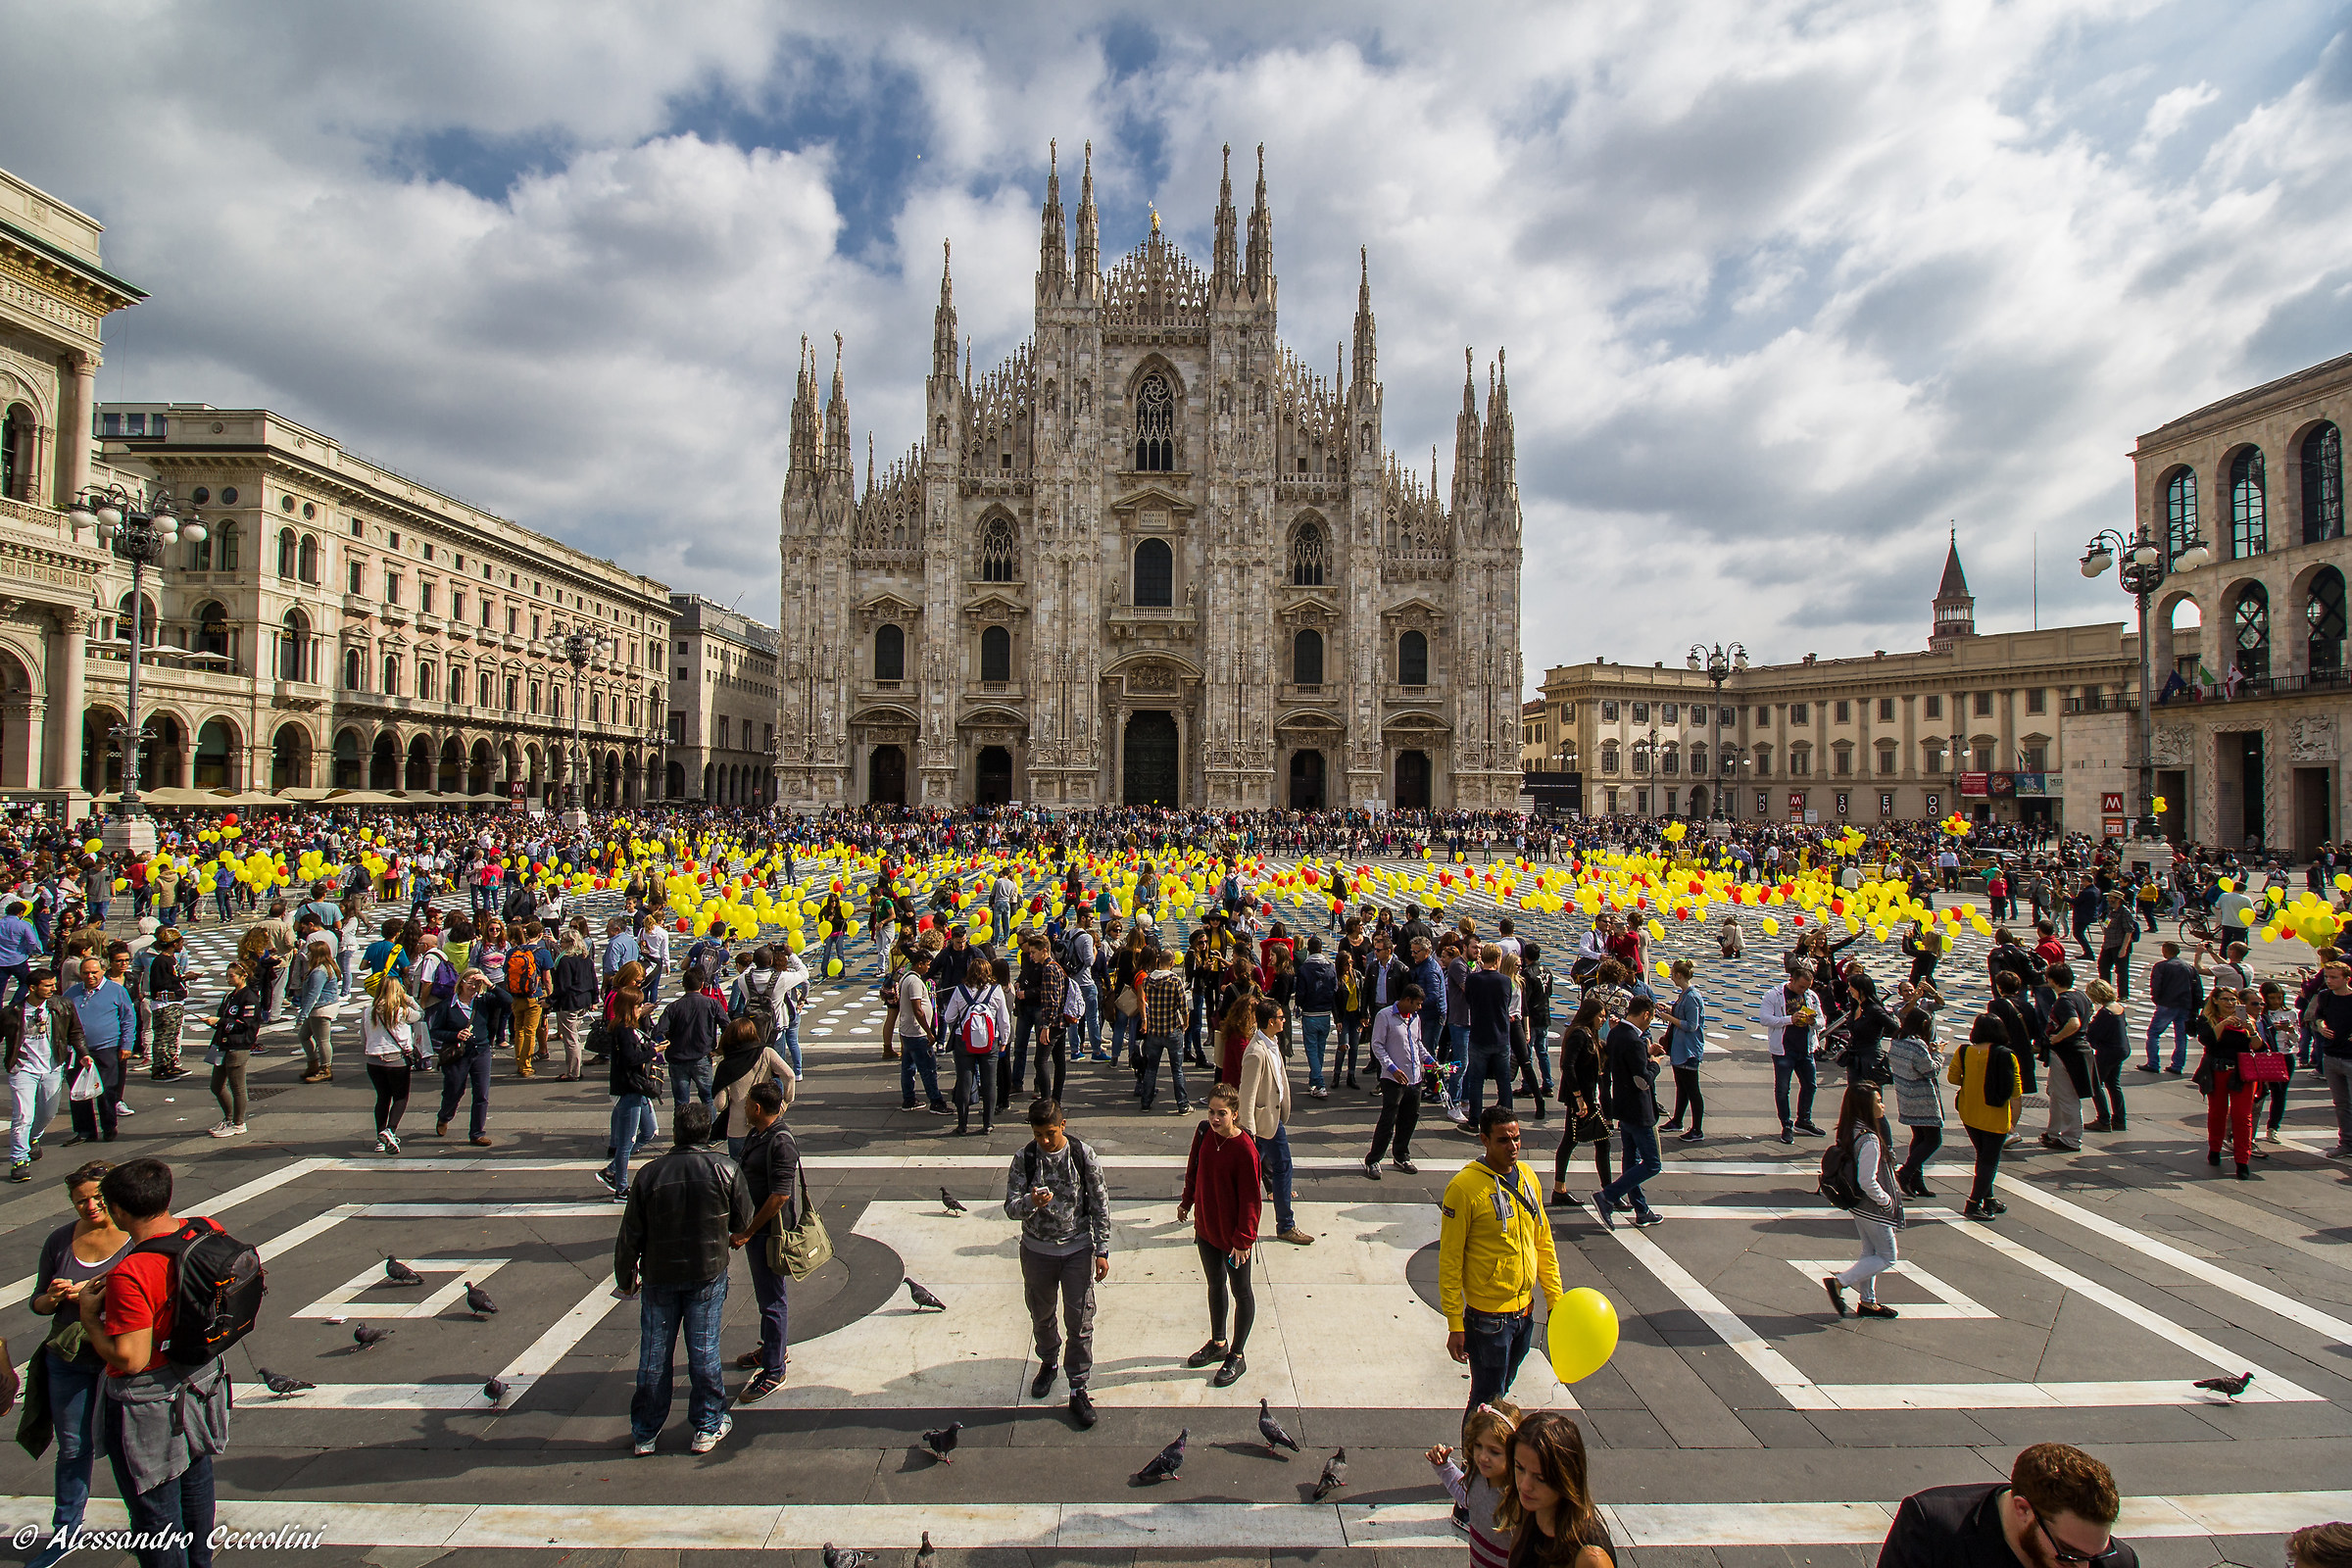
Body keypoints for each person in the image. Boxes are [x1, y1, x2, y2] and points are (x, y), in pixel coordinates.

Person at [77, 1158, 232, 1568]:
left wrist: (91, 1319)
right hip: (201, 1380)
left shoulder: (132, 1274)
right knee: (197, 1487)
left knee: (156, 1517)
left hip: (149, 1402)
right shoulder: (205, 1228)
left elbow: (131, 1359)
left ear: (119, 1212)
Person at [614, 1101, 750, 1456]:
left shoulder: (649, 1174)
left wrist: (625, 1275)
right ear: (706, 1133)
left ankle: (645, 1432)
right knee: (703, 1350)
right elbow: (742, 1221)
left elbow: (630, 1234)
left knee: (654, 1354)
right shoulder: (725, 1168)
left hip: (660, 1272)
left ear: (677, 1131)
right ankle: (706, 1425)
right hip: (706, 1271)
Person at [24, 1160, 128, 1568]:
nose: (90, 1206)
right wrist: (51, 1298)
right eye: (81, 1201)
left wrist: (96, 1290)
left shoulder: (131, 1238)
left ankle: (150, 1528)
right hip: (67, 1357)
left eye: (98, 1198)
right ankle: (65, 1532)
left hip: (117, 1358)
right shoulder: (59, 1241)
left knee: (126, 1447)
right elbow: (37, 1302)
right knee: (72, 1447)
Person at [1441, 1106, 1566, 1412]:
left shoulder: (1528, 1179)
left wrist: (1555, 1298)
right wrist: (1455, 1322)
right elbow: (1450, 1259)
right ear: (1484, 1139)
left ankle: (1483, 1454)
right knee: (1486, 1401)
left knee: (1499, 1395)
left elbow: (1543, 1241)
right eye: (1503, 1140)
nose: (1513, 1147)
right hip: (1488, 1319)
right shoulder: (1464, 1188)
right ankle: (1475, 1459)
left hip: (1525, 1313)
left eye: (1517, 1139)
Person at [1004, 1097, 1111, 1427]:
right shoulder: (1025, 1158)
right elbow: (1009, 1207)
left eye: (1050, 1133)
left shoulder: (1082, 1155)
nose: (1046, 1141)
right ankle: (1049, 1362)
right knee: (1041, 1314)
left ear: (1063, 1125)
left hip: (1077, 1249)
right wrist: (1029, 1202)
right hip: (1038, 1251)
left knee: (1080, 1319)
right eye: (1039, 1134)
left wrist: (1102, 1249)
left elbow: (1099, 1202)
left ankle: (1079, 1386)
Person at [1877, 1442, 2136, 1568]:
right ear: (2023, 1509)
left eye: (2096, 1555)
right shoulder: (1933, 1528)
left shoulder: (2117, 1561)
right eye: (2069, 1554)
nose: (2083, 1567)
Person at [1177, 1084, 1261, 1388]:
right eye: (1211, 1112)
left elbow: (1252, 1199)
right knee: (1215, 1285)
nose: (1214, 1118)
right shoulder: (1203, 1134)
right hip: (1207, 1229)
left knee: (1242, 1292)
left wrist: (1244, 1239)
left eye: (1221, 1114)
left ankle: (1237, 1355)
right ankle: (1218, 1342)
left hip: (1233, 1238)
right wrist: (1187, 1202)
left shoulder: (1245, 1150)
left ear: (1235, 1115)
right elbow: (1193, 1171)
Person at [725, 1081, 798, 1404]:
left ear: (757, 1108)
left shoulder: (780, 1141)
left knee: (772, 1299)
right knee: (767, 1296)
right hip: (758, 1230)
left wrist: (749, 1231)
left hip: (769, 1233)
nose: (742, 1107)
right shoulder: (759, 1133)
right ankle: (772, 1347)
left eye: (746, 1103)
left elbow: (780, 1195)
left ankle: (773, 1369)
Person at [1823, 1081, 1905, 1319]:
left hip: (1859, 1206)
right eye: (1877, 1101)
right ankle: (1840, 1282)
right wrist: (1886, 1201)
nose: (1882, 1105)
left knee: (1870, 1251)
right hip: (1872, 1208)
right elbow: (1867, 1180)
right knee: (1888, 1256)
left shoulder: (1850, 1129)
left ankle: (1868, 1302)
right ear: (1865, 1108)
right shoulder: (1869, 1140)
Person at [1493, 1410, 1616, 1568]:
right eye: (1520, 1468)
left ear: (1566, 1477)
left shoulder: (1591, 1558)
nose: (1525, 1485)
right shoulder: (1532, 1506)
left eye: (1541, 1478)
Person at [1239, 998, 1313, 1247]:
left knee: (1248, 1172)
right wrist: (1247, 1130)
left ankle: (1232, 1212)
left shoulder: (1271, 1043)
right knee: (1282, 1166)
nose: (1284, 1020)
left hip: (1271, 1117)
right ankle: (1286, 1225)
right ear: (1271, 1022)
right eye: (1281, 1017)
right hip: (1263, 1122)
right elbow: (1246, 1094)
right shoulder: (1256, 1052)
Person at [1592, 996, 1666, 1229]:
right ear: (1646, 1014)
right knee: (1652, 1163)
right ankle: (1608, 1196)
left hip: (1622, 1106)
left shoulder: (1616, 1032)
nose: (1650, 1023)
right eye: (1651, 1018)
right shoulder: (1634, 1040)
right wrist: (1654, 1063)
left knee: (1631, 1159)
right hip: (1639, 1110)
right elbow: (1641, 1080)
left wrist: (1646, 1053)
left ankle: (1641, 1210)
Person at [1427, 1397, 1523, 1568]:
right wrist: (1444, 1467)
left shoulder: (1519, 1494)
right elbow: (1466, 1496)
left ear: (1514, 1452)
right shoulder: (1478, 1476)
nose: (1483, 1457)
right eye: (1478, 1446)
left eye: (1494, 1452)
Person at [7, 969, 83, 1179]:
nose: (53, 989)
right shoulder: (13, 1011)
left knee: (48, 1113)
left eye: (53, 984)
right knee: (23, 1116)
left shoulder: (62, 1006)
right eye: (48, 985)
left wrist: (83, 1054)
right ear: (32, 988)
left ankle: (33, 1137)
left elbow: (75, 1032)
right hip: (23, 1070)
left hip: (52, 1068)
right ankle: (19, 1160)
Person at [1948, 1012, 2021, 1222]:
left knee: (1982, 1156)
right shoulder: (2007, 1055)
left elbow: (1953, 1078)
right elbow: (2015, 1090)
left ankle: (1988, 1198)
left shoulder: (1964, 1051)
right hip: (1994, 1114)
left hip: (1968, 1111)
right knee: (1989, 1160)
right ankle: (1973, 1203)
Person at [598, 984, 663, 1198]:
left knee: (650, 1131)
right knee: (627, 1142)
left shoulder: (628, 1027)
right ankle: (621, 1187)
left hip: (636, 1088)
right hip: (629, 1089)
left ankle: (612, 1170)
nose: (640, 1009)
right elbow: (630, 1059)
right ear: (628, 1008)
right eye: (637, 1006)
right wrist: (654, 1051)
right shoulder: (623, 1030)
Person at [1551, 995, 1615, 1207]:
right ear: (1590, 1015)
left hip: (1588, 1098)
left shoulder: (1591, 1034)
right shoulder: (1580, 1034)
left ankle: (1563, 1189)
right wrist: (1578, 1097)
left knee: (1592, 1142)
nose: (1603, 1020)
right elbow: (1568, 1066)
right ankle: (1607, 1192)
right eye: (1601, 1016)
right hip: (1581, 1100)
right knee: (1576, 1141)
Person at [62, 956, 132, 1148]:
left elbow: (128, 1019)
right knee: (79, 1091)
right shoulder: (72, 993)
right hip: (78, 1050)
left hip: (107, 1048)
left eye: (94, 972)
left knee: (107, 1090)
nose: (90, 976)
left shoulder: (116, 991)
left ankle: (109, 1127)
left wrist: (127, 1045)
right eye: (86, 973)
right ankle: (84, 1131)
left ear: (103, 971)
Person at [1364, 981, 1431, 1179]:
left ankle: (1401, 1154)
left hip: (1414, 1077)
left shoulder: (1415, 1018)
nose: (1419, 1008)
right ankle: (1374, 1158)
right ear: (1407, 1000)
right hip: (1393, 1078)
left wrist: (1429, 1059)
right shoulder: (1385, 1016)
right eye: (1417, 1004)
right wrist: (1392, 1069)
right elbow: (1377, 1045)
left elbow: (1417, 1043)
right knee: (1389, 1119)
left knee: (1410, 1117)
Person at [2194, 987, 2261, 1180]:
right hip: (2217, 1070)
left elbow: (2259, 1047)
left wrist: (2251, 1030)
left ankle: (2242, 1161)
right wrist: (2223, 1024)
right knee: (2217, 1112)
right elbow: (2208, 1042)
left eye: (2233, 1000)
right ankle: (2214, 1148)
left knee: (2242, 1117)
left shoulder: (2246, 1019)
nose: (2230, 1003)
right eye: (2225, 999)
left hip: (2242, 1073)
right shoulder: (2207, 1019)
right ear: (2215, 1000)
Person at [710, 1018, 796, 1158]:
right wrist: (785, 1101)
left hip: (738, 1127)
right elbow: (789, 1075)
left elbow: (720, 1104)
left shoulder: (725, 1065)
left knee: (740, 1173)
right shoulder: (766, 1052)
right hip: (766, 1122)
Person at [361, 977, 427, 1153]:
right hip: (397, 1060)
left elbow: (363, 1037)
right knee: (400, 1097)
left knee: (382, 1098)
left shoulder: (369, 1011)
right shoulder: (402, 1011)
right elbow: (421, 1014)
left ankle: (379, 1139)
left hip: (373, 1060)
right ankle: (390, 1130)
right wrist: (408, 998)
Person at [429, 971, 495, 1149]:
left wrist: (490, 983)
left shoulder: (483, 1002)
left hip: (480, 1051)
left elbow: (506, 1001)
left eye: (477, 983)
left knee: (481, 1093)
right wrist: (455, 1035)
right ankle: (445, 1116)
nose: (473, 986)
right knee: (454, 1090)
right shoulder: (447, 1006)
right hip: (457, 1054)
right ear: (461, 983)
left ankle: (477, 1133)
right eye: (470, 982)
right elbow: (435, 1031)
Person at [1762, 960, 1825, 1145]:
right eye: (1801, 987)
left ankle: (1804, 1120)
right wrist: (1790, 1019)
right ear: (1792, 980)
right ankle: (1786, 1125)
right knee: (1783, 1089)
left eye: (1807, 987)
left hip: (1805, 1048)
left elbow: (1822, 1021)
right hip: (1784, 1050)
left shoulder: (1811, 996)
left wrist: (1812, 1021)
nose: (1803, 990)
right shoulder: (1774, 995)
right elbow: (1765, 1019)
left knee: (1810, 1085)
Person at [1887, 1008, 1946, 1197]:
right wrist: (1938, 1055)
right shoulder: (1917, 1044)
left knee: (1920, 1137)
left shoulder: (1896, 1040)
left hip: (1905, 1095)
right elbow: (1930, 1071)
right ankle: (1906, 1172)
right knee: (1933, 1139)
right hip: (1922, 1099)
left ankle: (1916, 1179)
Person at [2038, 963, 2091, 1153]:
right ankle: (2053, 1132)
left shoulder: (2064, 1001)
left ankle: (2071, 1137)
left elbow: (2074, 1022)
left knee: (2067, 1096)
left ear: (2053, 980)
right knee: (2055, 1093)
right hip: (2076, 1051)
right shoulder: (2081, 996)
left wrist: (2057, 1037)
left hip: (2066, 1052)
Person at [894, 948, 950, 1114]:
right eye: (927, 964)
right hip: (916, 1032)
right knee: (928, 1068)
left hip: (907, 1030)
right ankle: (936, 1101)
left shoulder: (908, 978)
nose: (929, 968)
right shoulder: (914, 982)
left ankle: (909, 1099)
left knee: (908, 1067)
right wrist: (929, 1032)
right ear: (919, 964)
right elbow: (917, 1008)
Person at [1136, 947, 1191, 1115]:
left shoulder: (1147, 980)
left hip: (1154, 1030)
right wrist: (1185, 1023)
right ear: (1172, 962)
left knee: (1151, 1069)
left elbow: (1141, 1000)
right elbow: (1183, 1007)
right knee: (1177, 1070)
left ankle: (1146, 1101)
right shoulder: (1175, 981)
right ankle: (1182, 1104)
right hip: (1172, 1029)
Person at [1660, 959, 1705, 1142]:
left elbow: (1692, 1025)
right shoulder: (1685, 994)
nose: (1671, 977)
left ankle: (1697, 1129)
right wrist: (1669, 1010)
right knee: (1682, 1087)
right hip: (1681, 1048)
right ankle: (1677, 1120)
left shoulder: (1692, 997)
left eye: (1672, 974)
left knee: (1692, 1089)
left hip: (1689, 1049)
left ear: (1679, 975)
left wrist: (1669, 1017)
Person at [290, 935, 343, 1084]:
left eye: (309, 952)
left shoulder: (319, 972)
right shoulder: (326, 967)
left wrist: (302, 1014)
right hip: (322, 1007)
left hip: (321, 1008)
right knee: (304, 1036)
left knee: (322, 1040)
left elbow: (313, 994)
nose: (307, 955)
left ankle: (325, 1069)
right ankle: (313, 1063)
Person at [2141, 941, 2199, 1074]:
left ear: (2165, 951)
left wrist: (2156, 999)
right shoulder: (2189, 967)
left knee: (2154, 1033)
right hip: (2185, 1004)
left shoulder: (2162, 966)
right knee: (2180, 1036)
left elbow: (2156, 985)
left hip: (2167, 1003)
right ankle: (2177, 1065)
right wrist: (2195, 1008)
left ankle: (2153, 1063)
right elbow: (2197, 989)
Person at [2313, 960, 2352, 1156]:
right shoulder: (2325, 996)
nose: (2329, 981)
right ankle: (2346, 1143)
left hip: (2350, 1057)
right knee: (2341, 1104)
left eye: (2334, 977)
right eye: (2327, 977)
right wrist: (2321, 1026)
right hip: (2331, 1055)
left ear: (2347, 979)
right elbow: (2318, 1016)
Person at [2082, 979, 2129, 1133]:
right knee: (2113, 1084)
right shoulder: (2118, 1008)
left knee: (2095, 1084)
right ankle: (2119, 1119)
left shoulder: (2105, 1013)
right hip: (2120, 1050)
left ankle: (2103, 1119)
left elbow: (2093, 1033)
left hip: (2108, 1051)